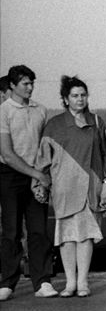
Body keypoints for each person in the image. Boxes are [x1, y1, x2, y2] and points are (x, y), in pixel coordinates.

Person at [35, 75, 106, 297]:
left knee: (86, 236)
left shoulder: (96, 122)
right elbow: (43, 160)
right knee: (67, 237)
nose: (80, 99)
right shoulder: (54, 125)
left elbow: (104, 158)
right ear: (66, 99)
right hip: (64, 188)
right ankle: (70, 283)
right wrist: (40, 185)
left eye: (83, 95)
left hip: (90, 188)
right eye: (75, 96)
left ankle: (83, 282)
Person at [0, 65, 57, 300]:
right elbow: (7, 153)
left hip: (37, 177)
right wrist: (36, 174)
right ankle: (8, 283)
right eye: (25, 83)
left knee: (38, 230)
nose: (30, 88)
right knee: (11, 230)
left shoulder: (41, 110)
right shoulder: (3, 111)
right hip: (10, 175)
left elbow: (46, 148)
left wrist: (41, 176)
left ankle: (42, 281)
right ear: (12, 85)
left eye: (32, 83)